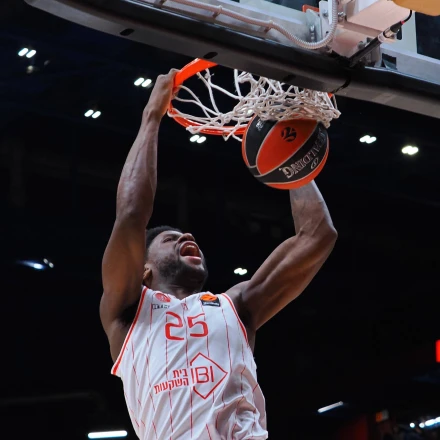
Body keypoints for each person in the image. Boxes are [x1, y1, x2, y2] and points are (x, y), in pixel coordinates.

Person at [100, 70, 337, 440]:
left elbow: (317, 236)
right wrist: (151, 116)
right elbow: (131, 214)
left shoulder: (236, 305)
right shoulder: (127, 314)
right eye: (169, 239)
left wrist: (291, 163)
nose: (187, 236)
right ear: (143, 270)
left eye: (185, 235)